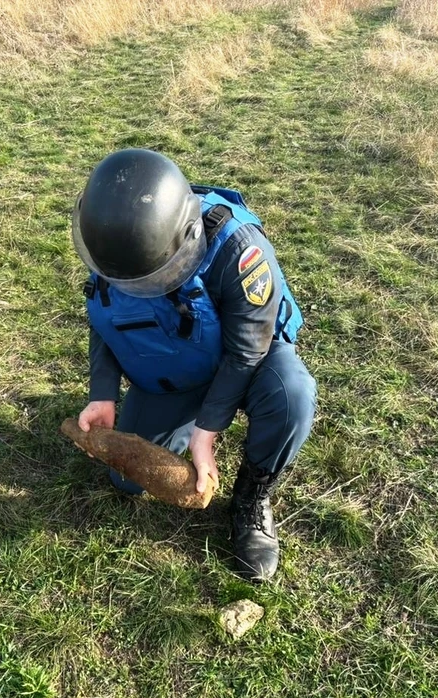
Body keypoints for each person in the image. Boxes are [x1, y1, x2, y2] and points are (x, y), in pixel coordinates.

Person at [71, 148, 317, 582]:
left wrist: (207, 432)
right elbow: (103, 316)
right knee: (126, 480)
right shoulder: (111, 244)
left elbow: (246, 351)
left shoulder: (240, 250)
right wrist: (103, 392)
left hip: (246, 360)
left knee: (291, 394)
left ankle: (252, 497)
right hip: (175, 367)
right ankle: (181, 414)